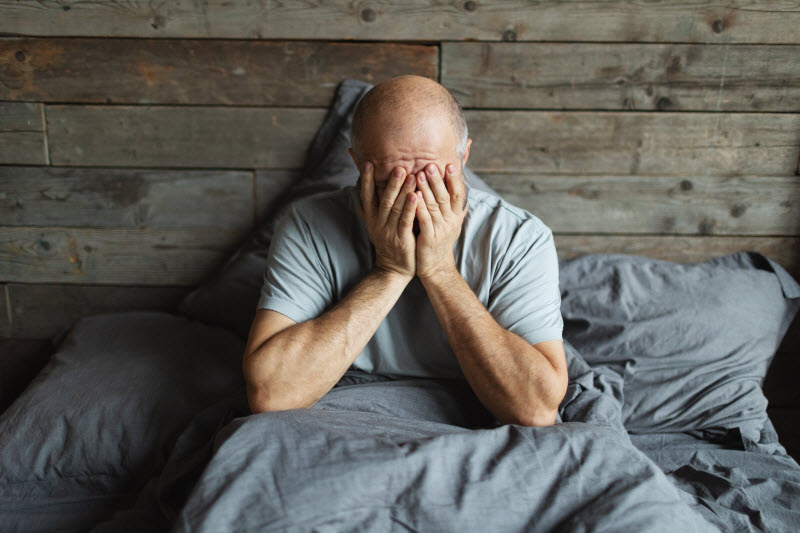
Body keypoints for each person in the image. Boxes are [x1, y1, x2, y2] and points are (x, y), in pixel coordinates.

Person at [242, 75, 568, 427]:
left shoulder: (520, 236)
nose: (413, 200)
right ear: (357, 163)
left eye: (432, 179)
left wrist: (440, 270)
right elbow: (271, 395)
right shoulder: (309, 224)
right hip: (352, 407)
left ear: (463, 157)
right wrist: (390, 271)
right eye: (391, 182)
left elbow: (535, 409)